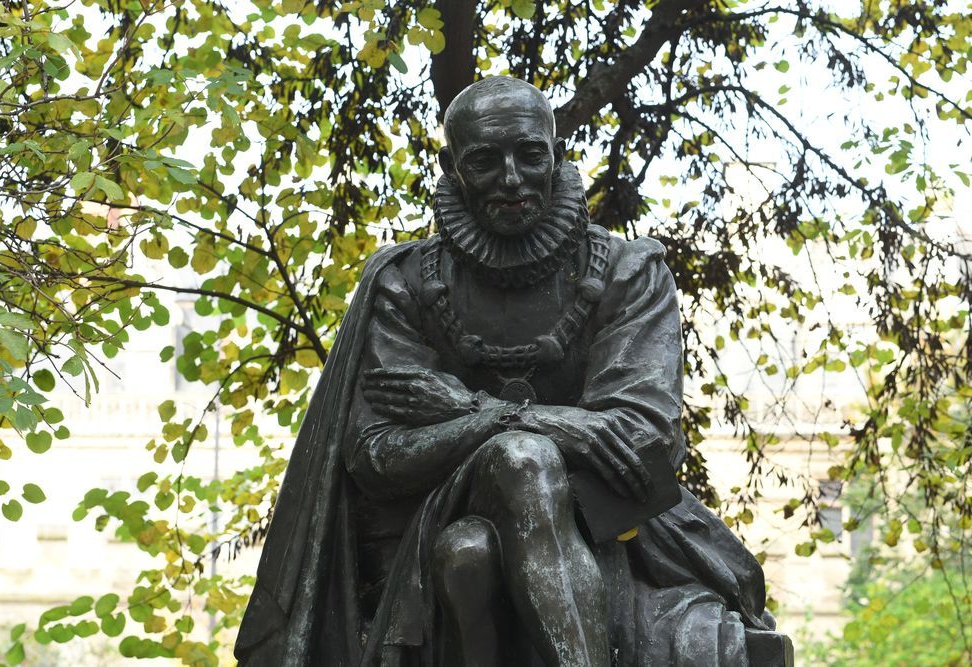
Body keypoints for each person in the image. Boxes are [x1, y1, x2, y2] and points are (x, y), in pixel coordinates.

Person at [235, 77, 785, 667]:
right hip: (433, 515)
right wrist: (516, 421)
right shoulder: (407, 284)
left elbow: (641, 438)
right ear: (451, 166)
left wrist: (459, 409)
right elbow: (377, 455)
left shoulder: (628, 271)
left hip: (605, 530)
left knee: (470, 554)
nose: (514, 179)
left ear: (556, 152)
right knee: (520, 459)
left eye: (530, 154)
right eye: (484, 160)